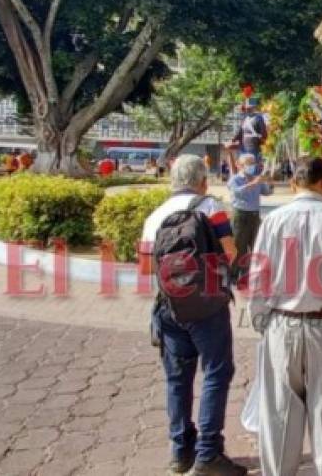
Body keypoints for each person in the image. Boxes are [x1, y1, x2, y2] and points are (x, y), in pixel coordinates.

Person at [248, 157, 322, 476]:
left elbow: (258, 278)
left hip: (281, 323)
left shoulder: (273, 220)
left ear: (293, 183)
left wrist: (263, 323)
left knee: (279, 412)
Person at [140, 155, 245, 476]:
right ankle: (208, 454)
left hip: (170, 306)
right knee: (216, 372)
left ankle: (180, 451)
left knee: (177, 378)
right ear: (202, 180)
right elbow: (230, 252)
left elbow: (145, 266)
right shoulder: (211, 207)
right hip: (208, 306)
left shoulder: (156, 215)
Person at [227, 153, 273, 283]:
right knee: (239, 247)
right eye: (248, 163)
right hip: (241, 216)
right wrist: (253, 183)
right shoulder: (235, 179)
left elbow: (267, 192)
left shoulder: (256, 178)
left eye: (253, 163)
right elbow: (237, 191)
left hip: (254, 216)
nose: (252, 166)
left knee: (256, 245)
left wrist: (269, 181)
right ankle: (234, 276)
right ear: (240, 165)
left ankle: (252, 275)